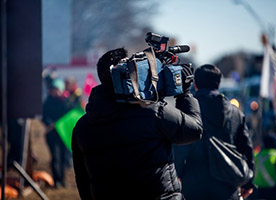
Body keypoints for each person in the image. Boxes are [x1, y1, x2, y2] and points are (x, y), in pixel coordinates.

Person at [71, 47, 203, 200]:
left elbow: (82, 179)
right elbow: (194, 130)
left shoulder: (82, 127)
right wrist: (184, 95)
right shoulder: (153, 112)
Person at [173, 64, 255, 200]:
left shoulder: (189, 110)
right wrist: (248, 183)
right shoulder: (235, 112)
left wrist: (176, 176)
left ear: (196, 84)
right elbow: (246, 149)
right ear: (218, 83)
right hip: (228, 185)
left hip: (194, 186)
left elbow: (181, 147)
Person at [42, 78, 69, 188]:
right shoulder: (48, 102)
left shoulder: (66, 101)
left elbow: (69, 116)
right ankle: (56, 180)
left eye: (57, 89)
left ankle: (62, 180)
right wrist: (50, 123)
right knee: (55, 157)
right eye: (53, 89)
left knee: (63, 158)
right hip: (52, 134)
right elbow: (44, 116)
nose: (55, 92)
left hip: (63, 134)